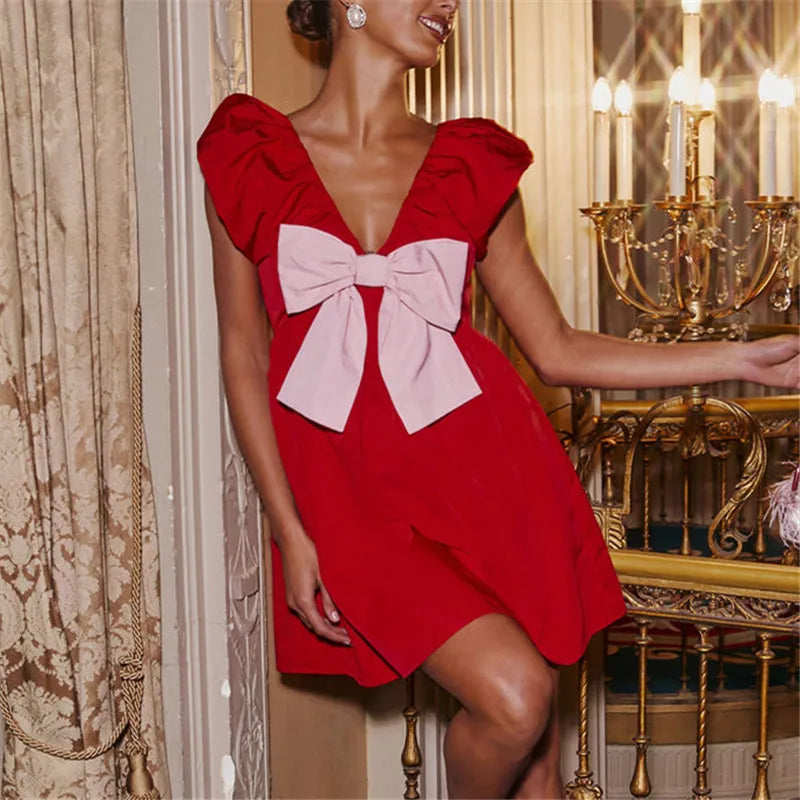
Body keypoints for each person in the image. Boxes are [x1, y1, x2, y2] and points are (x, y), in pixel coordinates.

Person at [196, 1, 799, 796]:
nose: (447, 3)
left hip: (492, 481)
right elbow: (243, 352)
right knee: (515, 698)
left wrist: (738, 358)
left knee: (538, 765)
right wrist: (288, 526)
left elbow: (557, 349)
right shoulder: (252, 153)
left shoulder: (469, 165)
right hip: (352, 501)